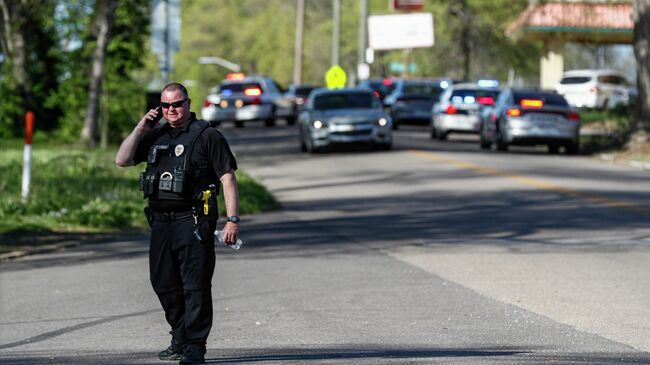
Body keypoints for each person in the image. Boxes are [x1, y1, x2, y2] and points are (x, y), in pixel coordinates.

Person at [115, 83, 240, 364]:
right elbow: (122, 159)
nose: (171, 110)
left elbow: (228, 179)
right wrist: (140, 127)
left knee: (195, 285)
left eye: (177, 104)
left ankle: (195, 345)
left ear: (188, 103)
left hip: (194, 220)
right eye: (165, 105)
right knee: (163, 282)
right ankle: (180, 336)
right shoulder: (155, 135)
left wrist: (232, 220)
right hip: (161, 222)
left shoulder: (208, 136)